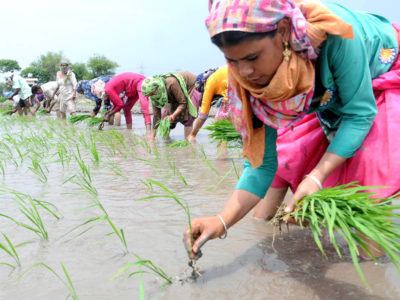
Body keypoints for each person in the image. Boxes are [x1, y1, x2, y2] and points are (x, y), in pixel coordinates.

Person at [184, 0, 400, 260]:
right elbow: (261, 165)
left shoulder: (337, 34)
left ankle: (373, 266)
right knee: (289, 157)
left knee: (370, 170)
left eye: (252, 57)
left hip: (384, 68)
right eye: (233, 60)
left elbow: (359, 114)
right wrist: (221, 221)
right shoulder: (244, 81)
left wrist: (317, 177)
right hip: (324, 94)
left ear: (284, 31)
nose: (246, 71)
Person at [141, 71, 201, 139]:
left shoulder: (171, 83)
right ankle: (166, 141)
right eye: (148, 95)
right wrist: (152, 136)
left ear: (156, 87)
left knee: (188, 117)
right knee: (166, 118)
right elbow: (156, 115)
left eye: (151, 94)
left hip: (191, 85)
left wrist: (173, 115)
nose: (151, 96)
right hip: (174, 91)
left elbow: (183, 103)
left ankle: (188, 142)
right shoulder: (154, 94)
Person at [187, 65, 229, 142]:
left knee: (220, 126)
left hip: (239, 93)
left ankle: (222, 153)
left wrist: (192, 134)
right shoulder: (220, 72)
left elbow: (203, 115)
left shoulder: (210, 83)